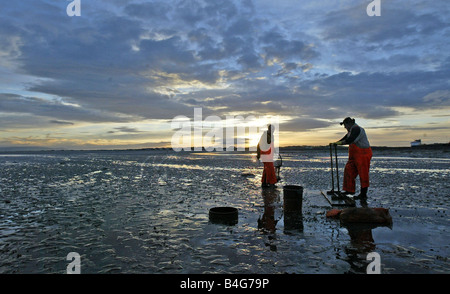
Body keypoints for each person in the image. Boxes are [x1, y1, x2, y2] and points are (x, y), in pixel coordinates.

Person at [331, 117, 372, 199]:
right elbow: (345, 138)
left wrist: (340, 143)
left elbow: (350, 140)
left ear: (349, 124)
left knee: (363, 174)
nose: (345, 128)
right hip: (354, 155)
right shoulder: (351, 130)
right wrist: (336, 143)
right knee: (348, 169)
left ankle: (363, 194)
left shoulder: (356, 129)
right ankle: (349, 190)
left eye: (345, 126)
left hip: (363, 154)